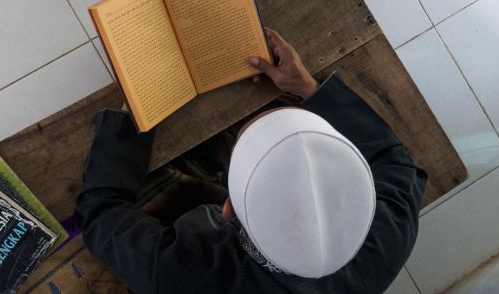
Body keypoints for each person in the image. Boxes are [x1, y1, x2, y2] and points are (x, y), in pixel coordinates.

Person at [75, 27, 428, 293]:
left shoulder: (188, 275)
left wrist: (133, 122)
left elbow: (100, 214)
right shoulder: (387, 238)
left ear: (225, 210)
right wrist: (306, 86)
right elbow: (394, 161)